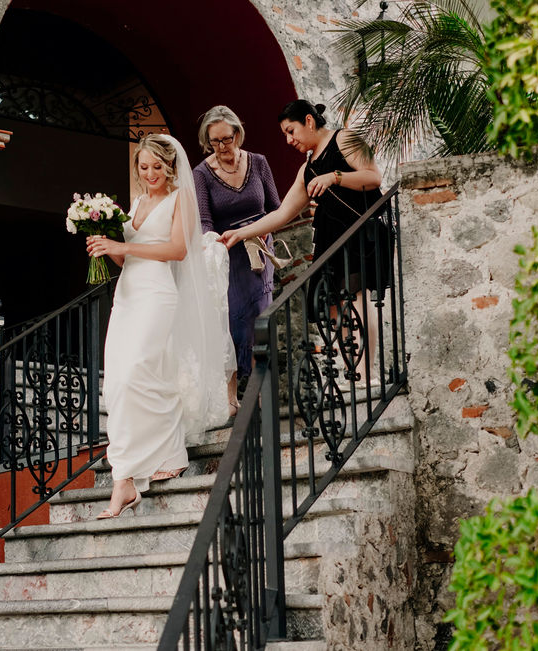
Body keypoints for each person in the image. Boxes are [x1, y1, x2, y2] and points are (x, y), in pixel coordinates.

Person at [86, 134, 233, 519]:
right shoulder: (136, 203)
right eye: (143, 167)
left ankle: (166, 453)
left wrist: (124, 248)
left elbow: (178, 250)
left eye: (156, 167)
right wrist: (106, 246)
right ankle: (124, 479)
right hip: (128, 295)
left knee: (140, 372)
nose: (149, 174)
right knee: (116, 381)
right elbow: (127, 261)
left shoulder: (180, 197)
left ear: (169, 167)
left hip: (157, 295)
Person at [220, 100, 386, 384]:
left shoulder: (344, 139)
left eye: (291, 131)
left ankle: (368, 375)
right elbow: (282, 213)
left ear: (309, 121)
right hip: (330, 240)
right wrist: (240, 234)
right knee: (335, 308)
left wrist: (335, 177)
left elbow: (374, 177)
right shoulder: (306, 169)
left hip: (361, 233)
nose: (289, 140)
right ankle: (354, 374)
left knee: (356, 303)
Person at [194, 105, 281, 414]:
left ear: (237, 134)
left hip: (257, 254)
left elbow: (275, 207)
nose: (222, 147)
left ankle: (261, 394)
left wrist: (258, 232)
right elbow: (204, 221)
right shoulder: (202, 174)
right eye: (215, 141)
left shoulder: (258, 163)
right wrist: (215, 240)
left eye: (227, 139)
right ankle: (231, 398)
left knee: (260, 321)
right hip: (227, 258)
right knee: (230, 324)